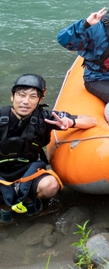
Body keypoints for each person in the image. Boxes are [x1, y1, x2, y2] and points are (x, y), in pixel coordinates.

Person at [0, 74, 96, 223]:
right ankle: (5, 206)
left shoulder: (45, 117)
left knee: (50, 185)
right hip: (1, 173)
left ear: (40, 100)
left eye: (33, 96)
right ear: (12, 97)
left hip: (27, 171)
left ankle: (30, 198)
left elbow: (91, 120)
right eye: (21, 95)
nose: (26, 101)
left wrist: (70, 122)